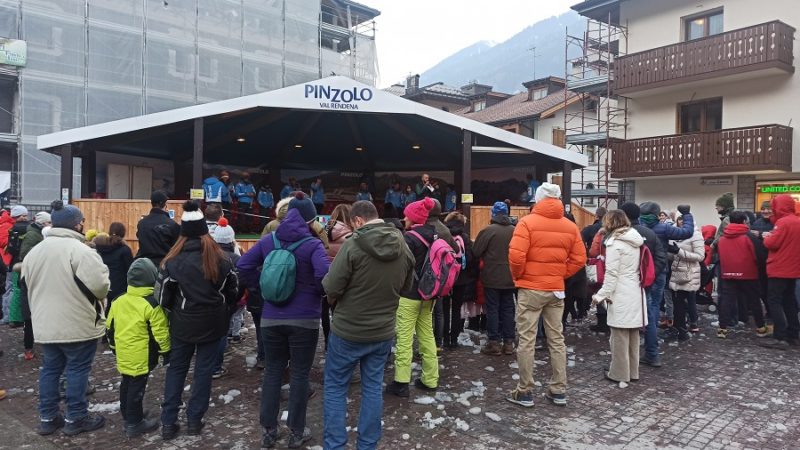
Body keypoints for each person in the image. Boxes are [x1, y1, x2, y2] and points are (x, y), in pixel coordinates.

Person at [237, 193, 329, 449]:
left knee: (273, 371)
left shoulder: (269, 241)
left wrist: (261, 291)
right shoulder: (312, 245)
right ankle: (296, 432)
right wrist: (316, 293)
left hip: (271, 318)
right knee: (300, 374)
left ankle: (268, 430)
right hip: (305, 320)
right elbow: (324, 274)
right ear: (311, 219)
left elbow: (243, 265)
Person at [322, 201, 415, 450]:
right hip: (383, 331)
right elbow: (407, 287)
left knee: (335, 387)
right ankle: (368, 445)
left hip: (347, 330)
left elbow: (331, 287)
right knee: (372, 388)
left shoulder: (352, 246)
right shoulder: (403, 246)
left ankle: (335, 445)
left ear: (358, 221)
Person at [22, 201, 110, 436]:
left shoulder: (35, 251)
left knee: (50, 370)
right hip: (77, 323)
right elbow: (100, 286)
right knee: (77, 370)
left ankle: (48, 417)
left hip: (45, 324)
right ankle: (76, 418)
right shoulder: (80, 250)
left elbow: (28, 285)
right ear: (76, 224)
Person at [157, 200, 239, 440]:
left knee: (177, 369)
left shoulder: (171, 262)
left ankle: (169, 423)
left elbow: (162, 297)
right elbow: (232, 291)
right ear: (205, 230)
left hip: (183, 323)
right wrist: (223, 307)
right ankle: (194, 420)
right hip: (213, 323)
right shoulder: (221, 260)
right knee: (203, 372)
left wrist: (178, 309)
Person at [507, 183, 585, 408]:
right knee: (557, 339)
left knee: (527, 340)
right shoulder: (570, 226)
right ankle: (558, 389)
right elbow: (580, 258)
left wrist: (520, 277)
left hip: (530, 288)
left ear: (538, 200)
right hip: (555, 289)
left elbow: (515, 257)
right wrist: (560, 274)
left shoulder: (527, 223)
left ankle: (524, 391)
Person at [106, 258, 170, 438]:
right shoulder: (151, 303)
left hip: (123, 351)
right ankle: (134, 423)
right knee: (137, 387)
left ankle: (128, 414)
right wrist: (166, 351)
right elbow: (161, 332)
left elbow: (110, 326)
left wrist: (113, 347)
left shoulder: (119, 300)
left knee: (126, 382)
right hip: (142, 354)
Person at [385, 197, 439, 397]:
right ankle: (430, 379)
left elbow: (399, 266)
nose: (404, 217)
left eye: (407, 214)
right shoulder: (434, 235)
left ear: (413, 217)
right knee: (427, 335)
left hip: (409, 295)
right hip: (428, 294)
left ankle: (401, 381)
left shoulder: (409, 238)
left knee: (405, 338)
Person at [591, 210, 647, 384]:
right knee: (632, 335)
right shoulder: (635, 239)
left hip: (621, 293)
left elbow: (612, 274)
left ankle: (619, 373)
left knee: (619, 336)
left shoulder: (615, 244)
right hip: (635, 290)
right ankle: (633, 372)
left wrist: (600, 295)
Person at [637, 201, 694, 368]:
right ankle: (652, 352)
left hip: (641, 273)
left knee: (644, 309)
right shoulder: (662, 228)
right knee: (653, 309)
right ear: (657, 215)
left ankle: (642, 351)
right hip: (659, 272)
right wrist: (687, 214)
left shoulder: (637, 229)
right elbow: (687, 232)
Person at [473, 201, 516, 356]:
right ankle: (509, 343)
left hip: (491, 277)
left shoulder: (487, 230)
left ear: (493, 214)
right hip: (511, 277)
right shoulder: (515, 230)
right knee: (508, 309)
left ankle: (494, 343)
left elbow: (476, 251)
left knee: (493, 309)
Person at [717, 211, 768, 339]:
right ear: (744, 221)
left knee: (726, 301)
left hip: (728, 274)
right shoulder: (749, 236)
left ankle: (722, 329)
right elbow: (759, 255)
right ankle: (761, 327)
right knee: (754, 301)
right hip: (748, 274)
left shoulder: (722, 238)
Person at [760, 194, 800, 349]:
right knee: (790, 301)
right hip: (793, 269)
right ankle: (793, 333)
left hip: (779, 269)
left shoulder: (783, 223)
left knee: (774, 301)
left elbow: (772, 243)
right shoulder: (797, 221)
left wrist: (767, 236)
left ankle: (780, 336)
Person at [211, 218, 242, 379]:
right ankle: (216, 365)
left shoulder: (208, 256)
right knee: (223, 332)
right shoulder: (236, 259)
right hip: (228, 301)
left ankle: (210, 363)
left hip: (209, 301)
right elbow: (239, 282)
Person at [665, 218, 704, 342]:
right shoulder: (675, 234)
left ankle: (683, 329)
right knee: (677, 302)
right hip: (676, 272)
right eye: (679, 219)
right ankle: (679, 329)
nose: (681, 222)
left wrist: (679, 251)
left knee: (683, 300)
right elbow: (673, 255)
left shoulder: (696, 234)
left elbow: (700, 256)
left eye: (684, 219)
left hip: (689, 273)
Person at [443, 212, 478, 349]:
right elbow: (470, 259)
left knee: (444, 309)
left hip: (445, 278)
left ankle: (444, 338)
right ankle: (453, 339)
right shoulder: (464, 238)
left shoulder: (443, 235)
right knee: (456, 309)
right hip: (461, 278)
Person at [18, 211, 50, 359]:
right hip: (32, 279)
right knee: (29, 316)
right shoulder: (33, 235)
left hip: (35, 278)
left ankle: (33, 346)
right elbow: (24, 255)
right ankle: (29, 348)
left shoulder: (36, 234)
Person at [323, 204, 353, 349]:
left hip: (323, 278)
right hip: (342, 281)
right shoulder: (352, 237)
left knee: (323, 313)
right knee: (339, 315)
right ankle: (339, 345)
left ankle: (327, 344)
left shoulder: (323, 232)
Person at [263, 196, 329, 249]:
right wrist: (326, 246)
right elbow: (322, 235)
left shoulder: (271, 224)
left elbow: (262, 243)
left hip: (272, 260)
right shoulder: (310, 222)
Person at [94, 223, 134, 309]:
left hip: (103, 286)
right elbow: (130, 270)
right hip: (120, 289)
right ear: (123, 234)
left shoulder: (100, 248)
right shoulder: (125, 250)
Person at [135, 191, 180, 267]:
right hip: (164, 267)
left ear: (152, 203)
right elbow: (176, 248)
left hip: (145, 267)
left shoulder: (142, 223)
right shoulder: (172, 224)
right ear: (164, 204)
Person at [1, 205, 29, 325]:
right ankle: (8, 316)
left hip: (10, 260)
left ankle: (11, 316)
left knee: (12, 288)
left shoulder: (12, 225)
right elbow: (3, 241)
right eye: (23, 216)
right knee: (11, 288)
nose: (25, 218)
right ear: (16, 216)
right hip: (8, 260)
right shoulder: (7, 226)